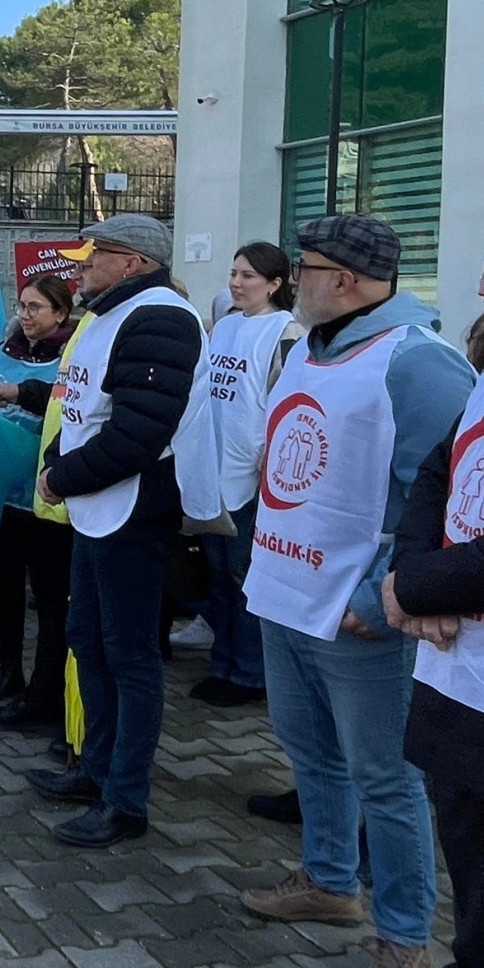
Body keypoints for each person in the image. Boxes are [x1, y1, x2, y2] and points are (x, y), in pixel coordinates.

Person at [239, 215, 474, 968]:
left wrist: (384, 592)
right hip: (288, 593)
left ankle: (404, 939)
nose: (291, 279)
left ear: (342, 279)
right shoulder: (309, 346)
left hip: (355, 611)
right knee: (309, 752)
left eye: (302, 266)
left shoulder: (417, 362)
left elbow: (446, 496)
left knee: (385, 779)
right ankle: (329, 880)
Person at [24, 214, 219, 850]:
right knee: (88, 637)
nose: (81, 266)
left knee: (130, 654)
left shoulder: (161, 317)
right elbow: (77, 407)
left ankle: (125, 798)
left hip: (131, 509)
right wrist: (55, 459)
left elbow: (139, 432)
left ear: (133, 262)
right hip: (96, 505)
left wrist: (62, 476)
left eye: (95, 255)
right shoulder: (108, 313)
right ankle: (96, 767)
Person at [385, 220, 484, 968]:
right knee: (481, 911)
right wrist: (410, 570)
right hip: (463, 687)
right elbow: (438, 468)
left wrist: (418, 587)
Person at [193, 242, 304, 707]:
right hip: (214, 466)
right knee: (217, 574)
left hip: (253, 474)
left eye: (248, 276)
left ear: (275, 284)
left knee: (243, 577)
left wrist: (271, 462)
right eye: (233, 273)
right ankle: (222, 663)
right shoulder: (225, 327)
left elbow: (290, 401)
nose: (236, 283)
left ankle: (250, 674)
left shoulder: (287, 332)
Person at [0, 276, 77, 726]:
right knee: (6, 587)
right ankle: (8, 670)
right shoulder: (2, 353)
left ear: (61, 313)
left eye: (36, 307)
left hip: (48, 497)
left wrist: (22, 396)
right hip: (4, 491)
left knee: (51, 598)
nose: (26, 314)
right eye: (21, 305)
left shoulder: (70, 358)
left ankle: (45, 685)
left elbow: (65, 409)